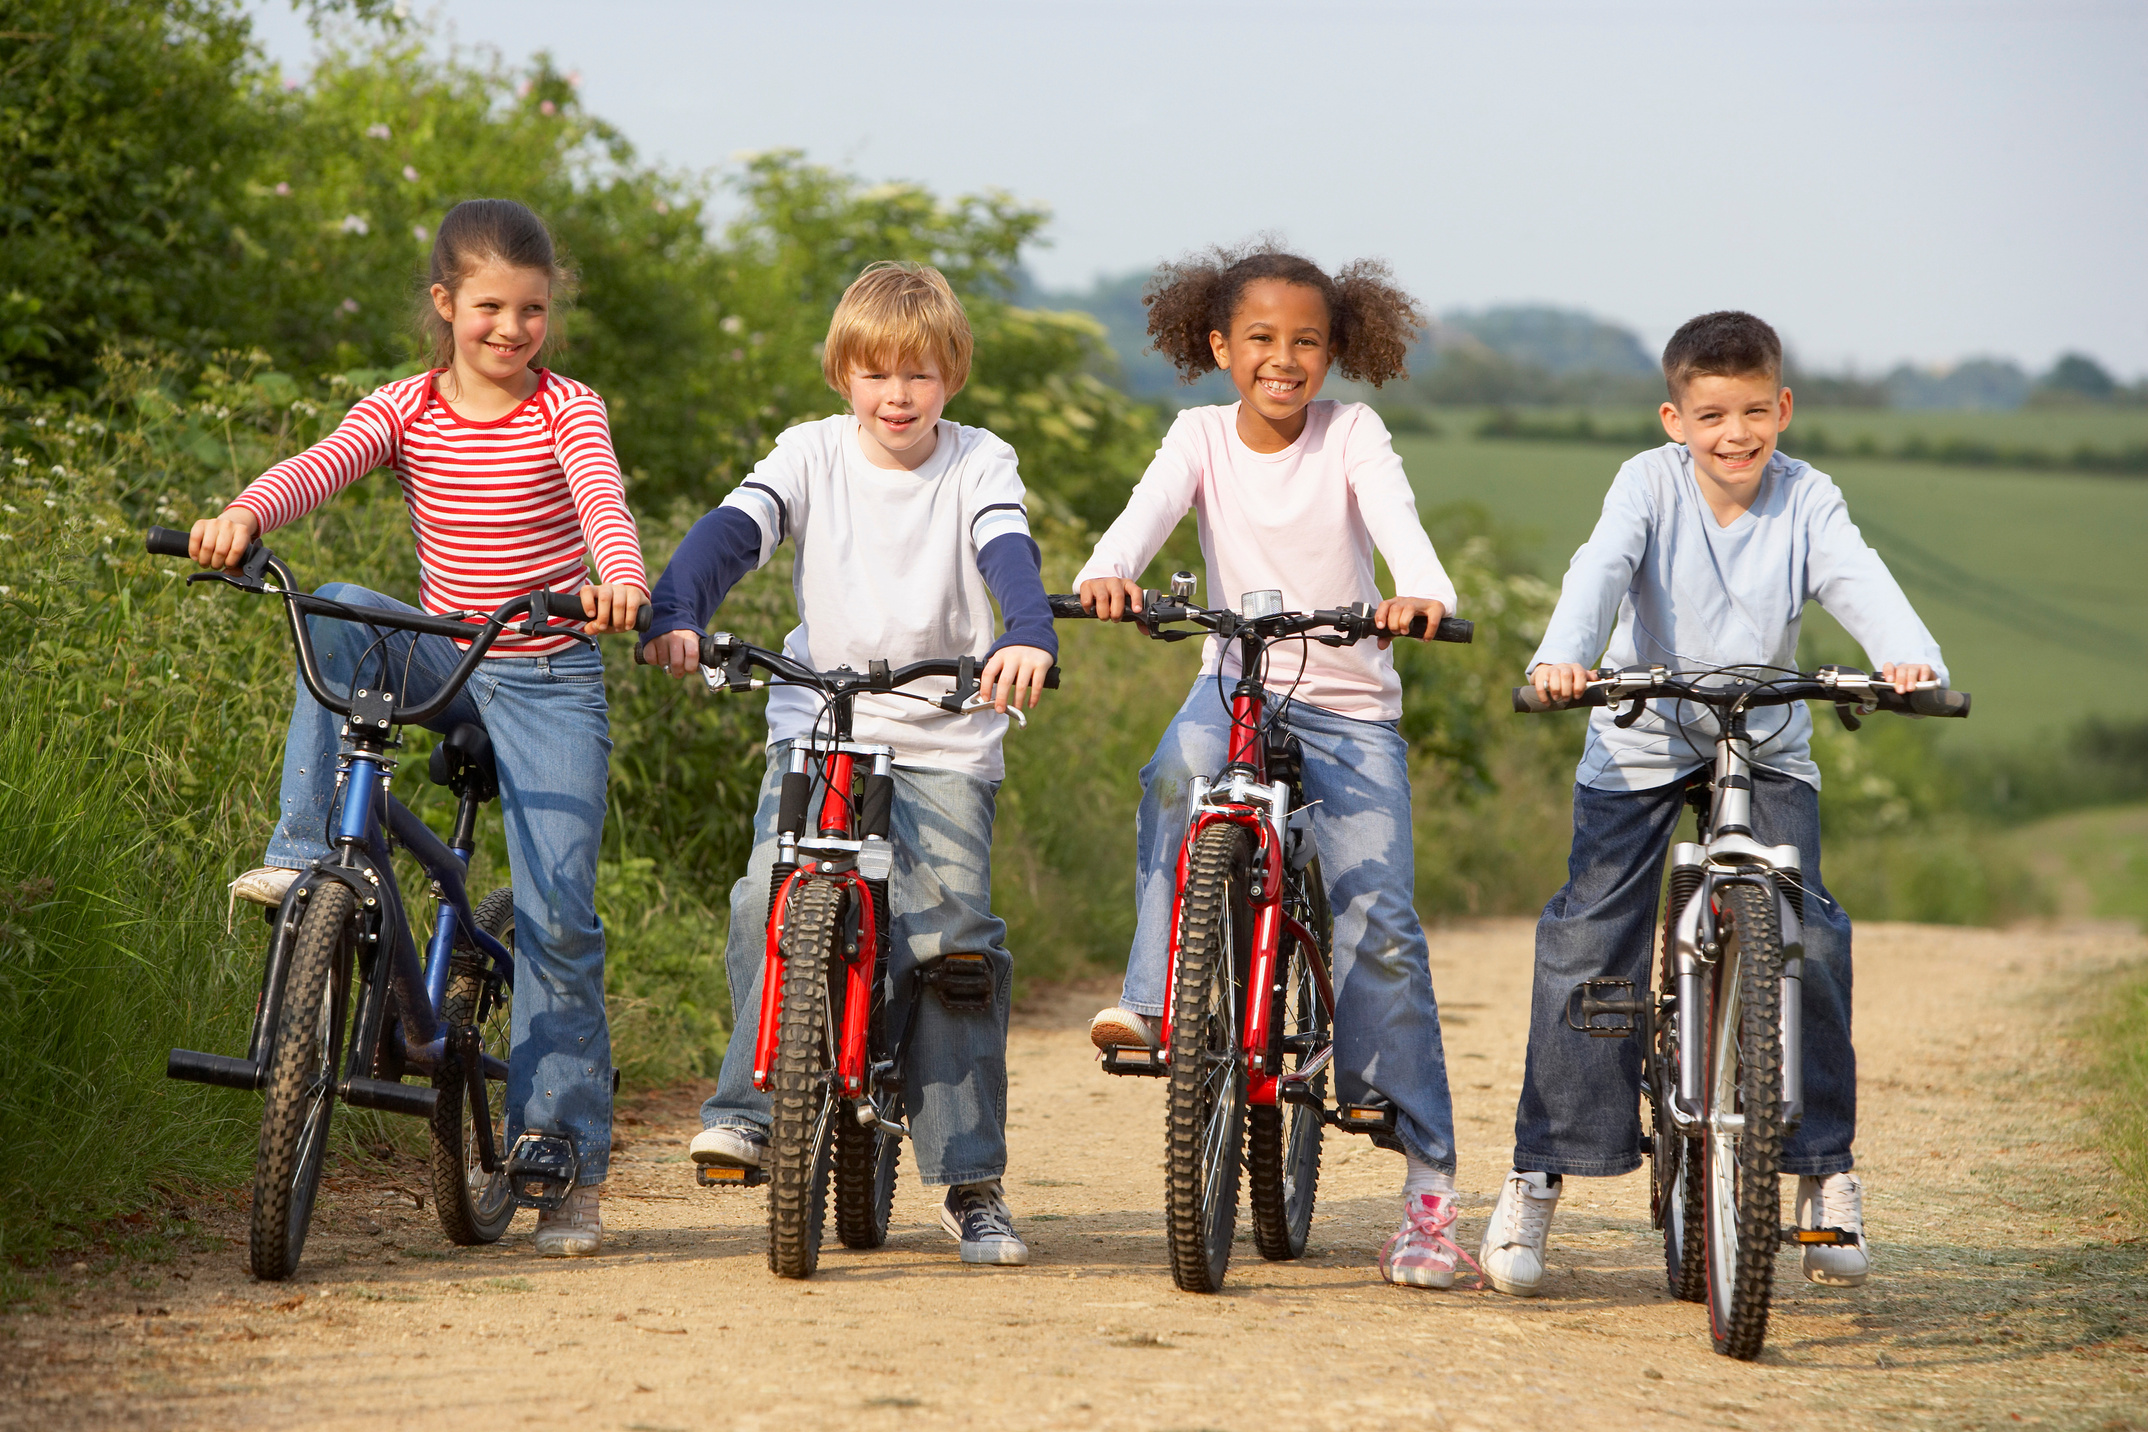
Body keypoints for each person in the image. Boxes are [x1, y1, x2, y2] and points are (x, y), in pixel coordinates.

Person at [189, 198, 648, 1258]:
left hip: (543, 670)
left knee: (561, 915)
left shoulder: (567, 407)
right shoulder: (406, 406)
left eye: (532, 310)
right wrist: (247, 515)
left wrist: (617, 581)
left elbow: (603, 503)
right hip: (446, 655)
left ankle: (561, 1152)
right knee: (340, 604)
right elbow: (323, 462)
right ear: (446, 305)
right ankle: (308, 855)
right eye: (490, 306)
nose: (511, 329)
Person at [1482, 310, 1945, 1297]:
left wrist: (1908, 657)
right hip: (1641, 729)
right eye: (1709, 415)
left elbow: (1855, 575)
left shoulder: (1808, 497)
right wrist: (1564, 656)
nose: (1733, 434)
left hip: (1765, 734)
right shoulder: (1646, 484)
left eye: (1751, 411)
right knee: (1587, 938)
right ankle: (1539, 1172)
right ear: (1673, 419)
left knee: (1808, 936)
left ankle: (1823, 1176)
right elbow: (1602, 564)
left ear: (1782, 407)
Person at [642, 261, 1057, 1267]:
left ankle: (970, 1180)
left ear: (951, 375)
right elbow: (733, 534)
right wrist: (677, 607)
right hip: (822, 726)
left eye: (919, 373)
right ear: (844, 376)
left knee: (953, 943)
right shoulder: (811, 455)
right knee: (762, 898)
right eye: (877, 375)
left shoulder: (978, 463)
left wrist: (1028, 631)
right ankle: (752, 1108)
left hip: (945, 730)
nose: (898, 395)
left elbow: (1007, 552)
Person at [1075, 246, 1473, 1289]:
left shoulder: (1353, 434)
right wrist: (1108, 572)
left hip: (1347, 709)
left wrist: (1419, 589)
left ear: (1334, 350)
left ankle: (1427, 1188)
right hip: (1234, 687)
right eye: (1261, 340)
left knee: (1379, 914)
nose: (1283, 360)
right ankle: (1157, 998)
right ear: (1219, 347)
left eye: (1306, 341)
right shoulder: (1199, 436)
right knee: (1175, 775)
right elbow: (1142, 516)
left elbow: (1399, 525)